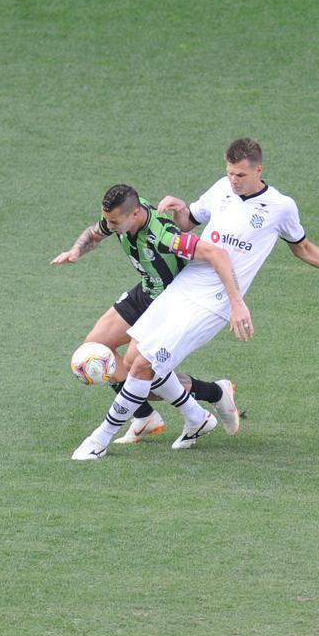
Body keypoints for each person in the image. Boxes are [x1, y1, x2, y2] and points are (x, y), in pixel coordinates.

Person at [71, 138, 319, 460]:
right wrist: (179, 210)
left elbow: (301, 247)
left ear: (258, 170)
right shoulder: (222, 189)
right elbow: (189, 222)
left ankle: (99, 440)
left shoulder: (280, 207)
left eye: (241, 176)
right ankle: (198, 414)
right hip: (183, 286)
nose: (234, 181)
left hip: (213, 302)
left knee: (144, 365)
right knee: (135, 359)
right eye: (230, 173)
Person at [52, 184, 241, 444]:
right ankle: (143, 416)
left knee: (140, 374)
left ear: (136, 214)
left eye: (114, 222)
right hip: (146, 291)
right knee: (95, 348)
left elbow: (212, 253)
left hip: (169, 303)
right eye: (108, 220)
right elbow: (95, 234)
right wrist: (76, 251)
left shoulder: (163, 234)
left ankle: (214, 392)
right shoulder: (122, 214)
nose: (109, 226)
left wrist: (235, 302)